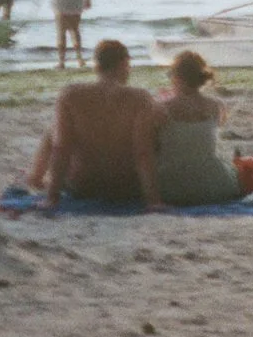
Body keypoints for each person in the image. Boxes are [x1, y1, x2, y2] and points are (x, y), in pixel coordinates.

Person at [28, 39, 160, 210]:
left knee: (54, 130)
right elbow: (143, 152)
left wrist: (52, 198)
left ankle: (35, 178)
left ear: (96, 66)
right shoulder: (140, 98)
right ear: (124, 64)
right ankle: (35, 178)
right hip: (125, 187)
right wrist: (153, 200)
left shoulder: (71, 95)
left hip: (83, 185)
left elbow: (62, 148)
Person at [153, 50, 243, 207]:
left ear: (177, 78)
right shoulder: (216, 106)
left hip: (173, 188)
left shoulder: (161, 108)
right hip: (217, 185)